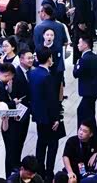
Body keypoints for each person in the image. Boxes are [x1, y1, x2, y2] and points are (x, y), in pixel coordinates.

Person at [30, 48, 63, 179]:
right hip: (49, 117)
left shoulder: (33, 73)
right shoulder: (47, 76)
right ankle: (49, 172)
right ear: (49, 58)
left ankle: (39, 170)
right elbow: (51, 100)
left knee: (41, 143)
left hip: (38, 115)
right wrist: (56, 118)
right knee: (52, 145)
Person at [73, 35, 97, 133]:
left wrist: (77, 64)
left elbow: (76, 73)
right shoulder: (95, 57)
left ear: (85, 45)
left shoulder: (84, 59)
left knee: (82, 112)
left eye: (79, 43)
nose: (78, 45)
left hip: (87, 92)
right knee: (90, 114)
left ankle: (83, 133)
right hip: (94, 90)